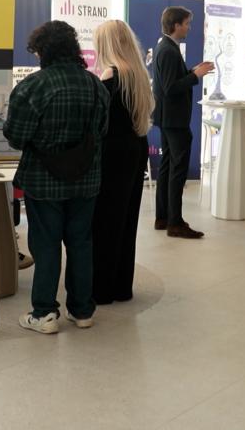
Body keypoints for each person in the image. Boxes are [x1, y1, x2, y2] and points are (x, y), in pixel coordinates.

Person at [4, 20, 110, 334]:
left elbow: (15, 137)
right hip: (87, 178)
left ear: (43, 51)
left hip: (43, 179)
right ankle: (82, 311)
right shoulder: (95, 85)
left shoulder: (32, 87)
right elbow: (101, 131)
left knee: (46, 244)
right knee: (81, 243)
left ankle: (44, 313)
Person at [90, 20, 153, 304]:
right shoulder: (137, 74)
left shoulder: (110, 78)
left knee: (105, 222)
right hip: (134, 149)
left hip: (112, 153)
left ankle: (102, 289)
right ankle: (121, 286)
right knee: (126, 220)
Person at [152, 6, 214, 239]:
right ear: (176, 25)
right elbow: (171, 87)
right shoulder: (168, 50)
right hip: (174, 119)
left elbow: (172, 79)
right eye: (187, 23)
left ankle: (163, 217)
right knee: (176, 170)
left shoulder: (165, 46)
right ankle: (175, 223)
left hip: (168, 118)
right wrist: (195, 76)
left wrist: (191, 71)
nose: (189, 27)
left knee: (168, 168)